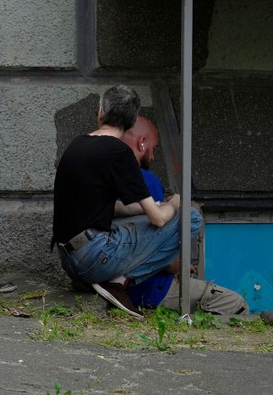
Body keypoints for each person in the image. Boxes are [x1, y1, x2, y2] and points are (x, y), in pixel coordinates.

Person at [52, 85, 201, 318]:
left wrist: (146, 210)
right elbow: (159, 219)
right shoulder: (119, 152)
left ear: (100, 112)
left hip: (69, 260)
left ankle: (108, 281)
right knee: (191, 218)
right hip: (94, 259)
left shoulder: (77, 144)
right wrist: (175, 202)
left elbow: (110, 207)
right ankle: (118, 282)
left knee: (141, 217)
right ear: (131, 123)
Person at [120, 117, 248, 315]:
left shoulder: (101, 175)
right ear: (141, 142)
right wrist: (181, 264)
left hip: (112, 279)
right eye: (153, 148)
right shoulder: (145, 181)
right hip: (148, 290)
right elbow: (161, 256)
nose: (153, 157)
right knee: (236, 303)